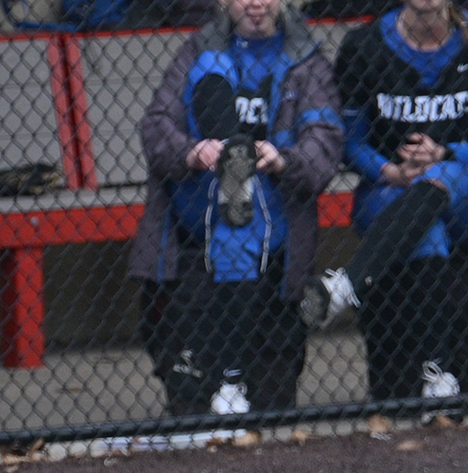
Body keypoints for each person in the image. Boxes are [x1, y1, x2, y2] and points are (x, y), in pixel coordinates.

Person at [131, 0, 341, 419]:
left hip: (274, 200)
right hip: (201, 196)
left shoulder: (305, 60)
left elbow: (325, 142)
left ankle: (230, 379)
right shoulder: (199, 52)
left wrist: (282, 159)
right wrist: (193, 151)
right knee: (215, 74)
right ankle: (231, 379)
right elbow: (156, 126)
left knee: (243, 221)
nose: (256, 3)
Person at [312, 0, 468, 404]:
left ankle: (348, 283)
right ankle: (437, 374)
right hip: (389, 189)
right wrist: (389, 171)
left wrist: (445, 154)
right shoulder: (364, 45)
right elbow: (349, 143)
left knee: (437, 180)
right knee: (427, 230)